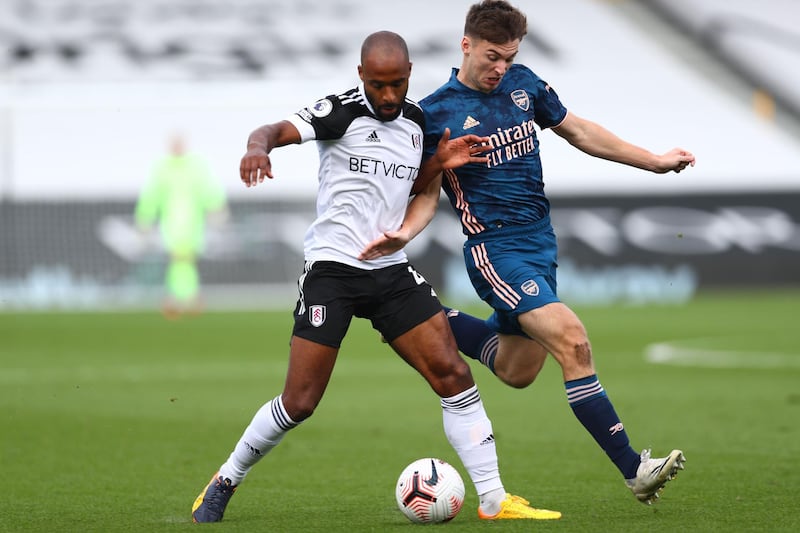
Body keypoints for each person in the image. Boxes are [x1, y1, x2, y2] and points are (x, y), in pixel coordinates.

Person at [191, 31, 562, 523]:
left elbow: (406, 182)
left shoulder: (416, 121)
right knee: (300, 401)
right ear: (362, 75)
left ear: (409, 74)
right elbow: (273, 130)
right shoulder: (338, 111)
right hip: (332, 271)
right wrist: (257, 149)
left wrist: (438, 163)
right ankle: (225, 479)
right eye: (379, 85)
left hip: (388, 270)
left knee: (453, 376)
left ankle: (494, 500)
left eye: (397, 84)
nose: (388, 96)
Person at [360, 0, 694, 506]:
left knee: (517, 370)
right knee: (573, 341)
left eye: (509, 58)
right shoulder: (433, 114)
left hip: (541, 243)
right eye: (493, 56)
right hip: (494, 249)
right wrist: (405, 234)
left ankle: (418, 317)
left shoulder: (525, 86)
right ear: (466, 44)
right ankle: (634, 468)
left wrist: (653, 161)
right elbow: (424, 191)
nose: (501, 68)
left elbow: (578, 130)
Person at [134, 133, 227, 318]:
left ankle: (181, 297)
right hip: (171, 221)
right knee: (178, 258)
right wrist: (144, 217)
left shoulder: (195, 166)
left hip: (193, 220)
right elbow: (152, 194)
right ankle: (184, 297)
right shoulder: (162, 168)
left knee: (185, 259)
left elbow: (208, 189)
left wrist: (216, 208)